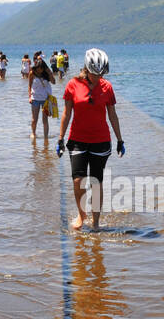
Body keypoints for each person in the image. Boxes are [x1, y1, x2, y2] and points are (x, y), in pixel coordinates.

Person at [57, 48, 125, 230]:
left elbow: (112, 115)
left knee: (96, 181)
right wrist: (60, 138)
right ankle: (81, 215)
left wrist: (120, 140)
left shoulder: (107, 87)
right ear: (86, 69)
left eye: (101, 73)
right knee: (78, 181)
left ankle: (95, 221)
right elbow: (66, 113)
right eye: (95, 73)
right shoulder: (72, 85)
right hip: (77, 139)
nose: (98, 77)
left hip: (101, 140)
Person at [28, 57, 54, 140]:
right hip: (35, 98)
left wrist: (49, 73)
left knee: (45, 120)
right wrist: (29, 97)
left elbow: (54, 82)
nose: (39, 71)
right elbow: (29, 85)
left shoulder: (46, 74)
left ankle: (46, 137)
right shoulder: (32, 73)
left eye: (41, 69)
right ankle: (33, 133)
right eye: (38, 68)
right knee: (34, 119)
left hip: (46, 99)